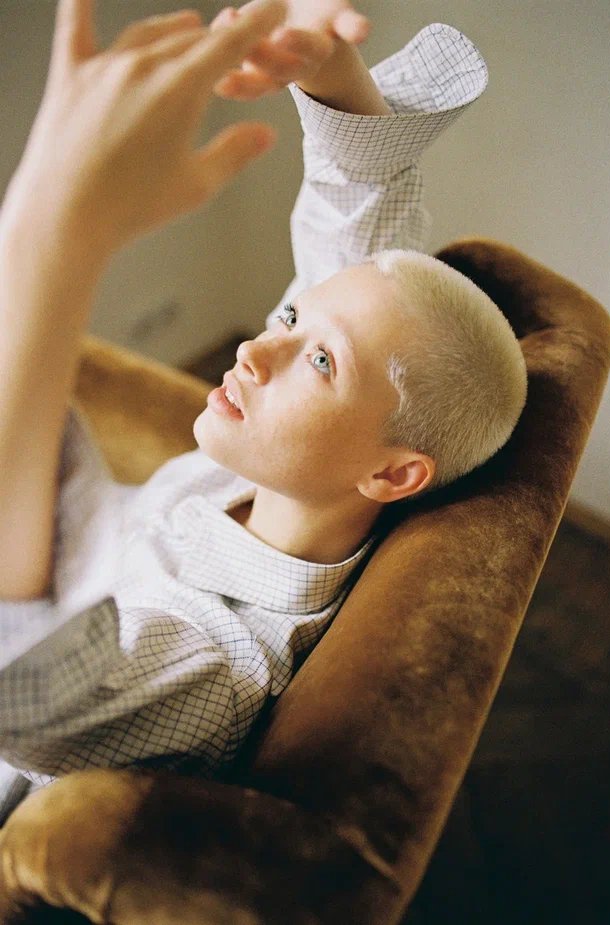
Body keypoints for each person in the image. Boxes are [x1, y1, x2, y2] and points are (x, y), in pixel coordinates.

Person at [0, 0, 526, 824]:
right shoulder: (278, 475)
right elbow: (351, 251)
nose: (256, 348)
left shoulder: (216, 662)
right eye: (289, 316)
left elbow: (24, 688)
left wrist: (50, 232)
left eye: (319, 360)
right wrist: (329, 73)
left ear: (392, 472)